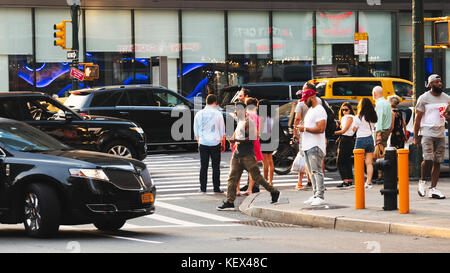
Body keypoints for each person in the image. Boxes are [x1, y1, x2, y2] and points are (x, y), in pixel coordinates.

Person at [217, 101, 280, 211]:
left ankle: (273, 191)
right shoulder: (240, 121)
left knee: (257, 177)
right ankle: (230, 201)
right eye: (236, 109)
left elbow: (253, 136)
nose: (236, 111)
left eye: (238, 109)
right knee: (232, 177)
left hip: (247, 155)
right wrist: (232, 140)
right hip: (237, 154)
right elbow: (237, 135)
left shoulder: (248, 122)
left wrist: (236, 139)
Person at [414, 74, 450, 199]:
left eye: (440, 81)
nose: (439, 83)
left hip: (440, 133)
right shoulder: (423, 98)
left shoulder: (447, 98)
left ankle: (433, 189)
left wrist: (447, 116)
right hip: (427, 132)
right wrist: (415, 136)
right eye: (436, 82)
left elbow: (449, 116)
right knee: (428, 159)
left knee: (437, 161)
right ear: (430, 85)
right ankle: (422, 182)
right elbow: (417, 118)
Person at [296, 88, 327, 206]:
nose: (304, 102)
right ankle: (315, 194)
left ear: (312, 97)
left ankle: (320, 195)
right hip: (308, 145)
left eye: (306, 99)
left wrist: (304, 129)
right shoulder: (311, 110)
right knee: (311, 172)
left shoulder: (319, 110)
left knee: (316, 171)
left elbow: (321, 128)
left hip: (315, 145)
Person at [193, 94, 226, 194]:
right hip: (215, 142)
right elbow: (222, 131)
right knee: (216, 167)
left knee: (204, 166)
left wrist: (199, 142)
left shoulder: (199, 114)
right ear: (215, 102)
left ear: (206, 101)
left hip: (203, 142)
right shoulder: (218, 114)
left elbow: (196, 130)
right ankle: (216, 187)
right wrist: (223, 143)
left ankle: (203, 187)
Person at [353, 98, 378, 189]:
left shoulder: (358, 117)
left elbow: (354, 129)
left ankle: (359, 182)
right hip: (370, 139)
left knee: (358, 162)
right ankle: (368, 182)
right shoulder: (372, 116)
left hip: (360, 139)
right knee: (369, 163)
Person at [240, 97, 263, 196]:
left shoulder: (246, 116)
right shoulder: (256, 117)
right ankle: (253, 185)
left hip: (247, 142)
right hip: (255, 142)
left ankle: (252, 185)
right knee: (254, 165)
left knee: (247, 165)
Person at [372, 86, 392, 183]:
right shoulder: (387, 103)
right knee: (382, 152)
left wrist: (378, 133)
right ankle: (382, 176)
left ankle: (381, 176)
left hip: (381, 130)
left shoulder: (379, 104)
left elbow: (379, 119)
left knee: (379, 153)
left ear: (374, 94)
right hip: (386, 130)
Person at [334, 102, 356, 188]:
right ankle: (349, 180)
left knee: (340, 161)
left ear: (350, 110)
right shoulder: (352, 117)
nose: (344, 111)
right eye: (342, 110)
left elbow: (344, 131)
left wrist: (333, 132)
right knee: (347, 161)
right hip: (349, 140)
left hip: (345, 139)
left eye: (346, 110)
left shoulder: (349, 117)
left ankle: (345, 180)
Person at [258, 99, 275, 184]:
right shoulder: (271, 116)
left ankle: (265, 180)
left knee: (264, 162)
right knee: (270, 160)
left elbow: (260, 130)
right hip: (271, 138)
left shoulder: (262, 117)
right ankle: (270, 180)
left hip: (263, 138)